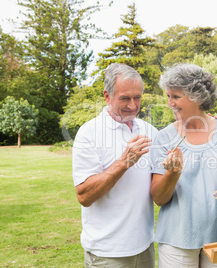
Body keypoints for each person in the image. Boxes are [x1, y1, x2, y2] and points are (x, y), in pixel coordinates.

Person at [150, 64, 217, 267]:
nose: (169, 103)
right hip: (177, 241)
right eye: (168, 96)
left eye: (175, 96)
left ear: (197, 97)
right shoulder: (164, 138)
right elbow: (159, 198)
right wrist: (173, 173)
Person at [72, 63, 157, 267]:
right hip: (107, 253)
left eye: (137, 97)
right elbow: (84, 196)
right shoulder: (89, 133)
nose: (133, 105)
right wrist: (123, 162)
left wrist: (213, 123)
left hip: (145, 246)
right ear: (107, 96)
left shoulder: (150, 130)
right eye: (125, 98)